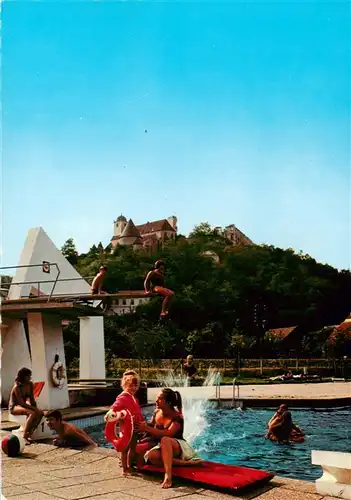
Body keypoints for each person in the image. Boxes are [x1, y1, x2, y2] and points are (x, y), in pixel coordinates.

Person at [135, 388, 202, 489]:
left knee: (165, 439)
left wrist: (146, 428)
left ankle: (168, 476)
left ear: (168, 402)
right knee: (152, 456)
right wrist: (141, 429)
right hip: (162, 446)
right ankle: (188, 464)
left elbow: (168, 434)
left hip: (178, 446)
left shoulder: (177, 417)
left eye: (160, 399)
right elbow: (151, 428)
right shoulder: (157, 412)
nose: (156, 401)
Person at [106, 369, 145, 476]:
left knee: (133, 447)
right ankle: (124, 468)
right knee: (125, 448)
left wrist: (142, 421)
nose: (133, 388)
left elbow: (138, 411)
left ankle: (129, 465)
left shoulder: (134, 398)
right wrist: (111, 412)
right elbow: (115, 406)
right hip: (126, 428)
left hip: (135, 428)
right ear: (124, 385)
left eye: (135, 386)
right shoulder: (123, 397)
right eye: (131, 386)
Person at [8, 368, 44, 443]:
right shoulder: (17, 387)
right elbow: (21, 403)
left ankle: (29, 434)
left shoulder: (30, 384)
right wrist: (34, 409)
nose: (30, 378)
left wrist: (36, 408)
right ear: (24, 377)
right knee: (32, 413)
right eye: (28, 376)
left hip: (23, 406)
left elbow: (32, 398)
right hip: (15, 406)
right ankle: (24, 436)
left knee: (40, 413)